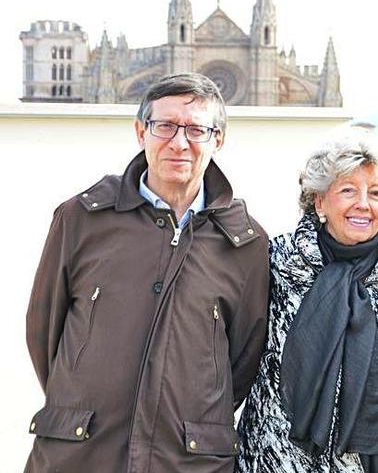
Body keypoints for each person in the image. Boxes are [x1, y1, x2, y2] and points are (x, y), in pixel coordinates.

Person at [24, 73, 270, 472]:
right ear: (141, 132)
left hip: (187, 461)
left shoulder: (244, 243)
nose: (179, 142)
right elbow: (44, 332)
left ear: (217, 140)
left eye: (196, 129)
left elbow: (241, 360)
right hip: (79, 455)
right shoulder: (81, 218)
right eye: (165, 126)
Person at [236, 129, 378, 473]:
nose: (363, 203)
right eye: (348, 190)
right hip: (277, 460)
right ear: (319, 201)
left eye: (375, 193)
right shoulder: (277, 262)